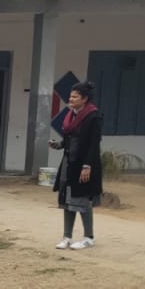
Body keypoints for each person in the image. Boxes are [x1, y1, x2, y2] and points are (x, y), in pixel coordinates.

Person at [51, 81, 103, 251]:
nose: (71, 99)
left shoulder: (93, 117)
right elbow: (69, 138)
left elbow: (94, 144)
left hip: (84, 164)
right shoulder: (70, 115)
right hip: (69, 163)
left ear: (84, 99)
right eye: (70, 96)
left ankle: (88, 237)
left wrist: (87, 166)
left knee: (83, 200)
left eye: (75, 97)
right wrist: (59, 145)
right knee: (67, 200)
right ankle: (67, 236)